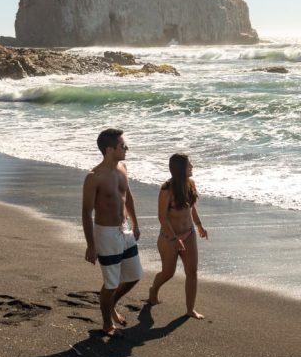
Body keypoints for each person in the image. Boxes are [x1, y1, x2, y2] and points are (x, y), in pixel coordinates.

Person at [82, 128, 141, 336]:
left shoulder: (123, 167)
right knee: (111, 282)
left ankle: (111, 305)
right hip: (105, 234)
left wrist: (135, 223)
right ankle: (107, 322)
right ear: (109, 149)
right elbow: (86, 212)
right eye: (122, 146)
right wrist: (91, 245)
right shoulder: (94, 177)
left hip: (124, 230)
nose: (126, 148)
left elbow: (128, 197)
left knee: (134, 276)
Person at [148, 153, 208, 319]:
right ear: (181, 168)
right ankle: (153, 290)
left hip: (189, 234)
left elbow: (191, 207)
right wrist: (174, 239)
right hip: (169, 236)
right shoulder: (166, 189)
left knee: (192, 271)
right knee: (168, 273)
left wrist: (199, 225)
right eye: (189, 164)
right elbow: (162, 217)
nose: (192, 166)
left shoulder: (190, 184)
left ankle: (190, 309)